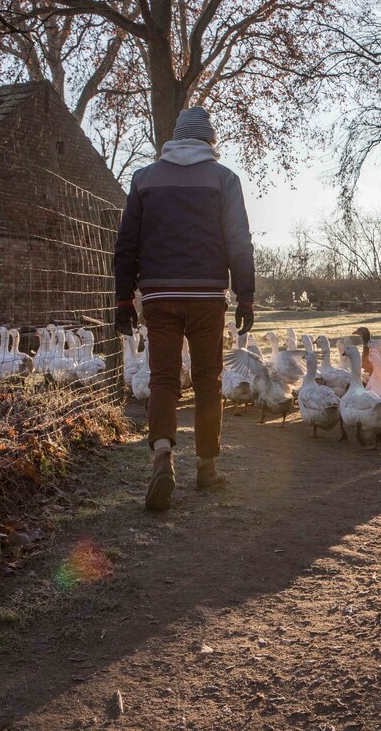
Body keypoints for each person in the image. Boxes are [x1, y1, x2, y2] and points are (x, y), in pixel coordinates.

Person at [113, 107, 256, 511]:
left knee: (163, 378)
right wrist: (245, 296)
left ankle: (162, 455)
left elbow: (126, 245)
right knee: (209, 380)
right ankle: (208, 467)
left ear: (174, 139)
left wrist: (124, 298)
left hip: (158, 296)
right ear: (210, 142)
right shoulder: (224, 179)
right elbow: (239, 242)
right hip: (208, 297)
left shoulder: (143, 179)